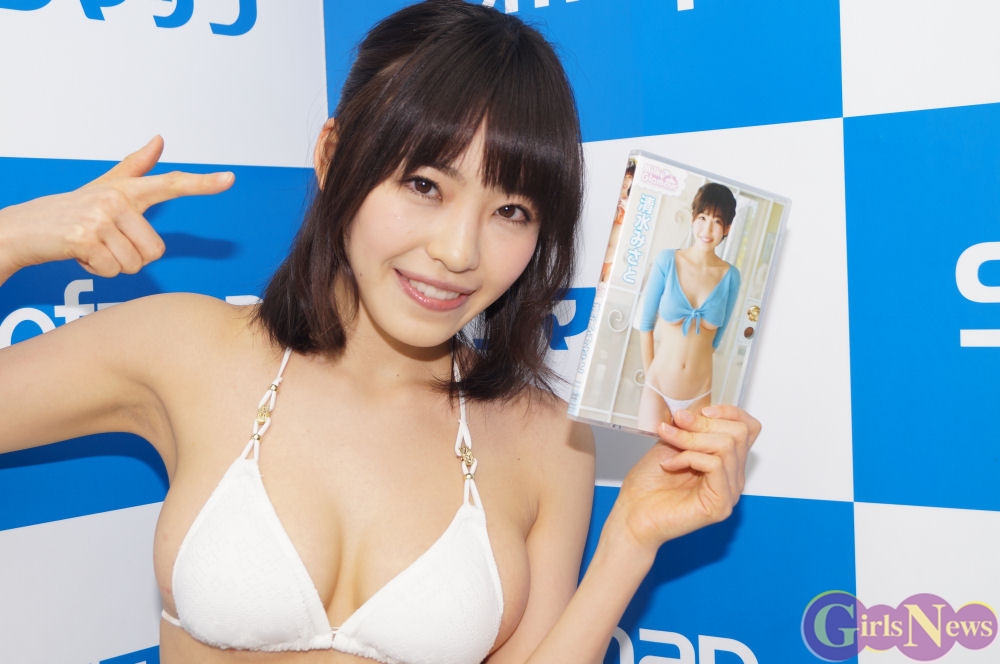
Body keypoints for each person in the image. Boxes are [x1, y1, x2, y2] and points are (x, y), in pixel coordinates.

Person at [0, 2, 759, 663]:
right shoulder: (187, 349)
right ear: (335, 157)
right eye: (424, 185)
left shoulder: (546, 438)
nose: (458, 251)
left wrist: (630, 538)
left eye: (511, 211)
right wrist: (15, 237)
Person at [636, 182, 742, 432]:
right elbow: (645, 325)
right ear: (693, 218)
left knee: (689, 457)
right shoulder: (667, 261)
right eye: (702, 217)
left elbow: (716, 340)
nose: (707, 229)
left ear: (727, 228)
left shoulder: (730, 277)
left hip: (699, 394)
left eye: (717, 221)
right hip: (657, 388)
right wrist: (651, 378)